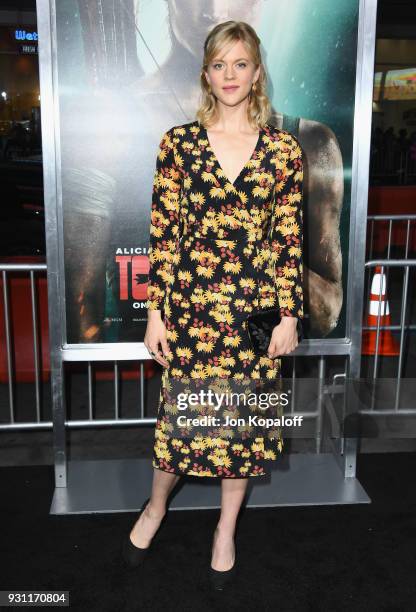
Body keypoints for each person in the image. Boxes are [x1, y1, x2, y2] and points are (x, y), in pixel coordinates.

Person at [122, 20, 304, 590]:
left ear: (256, 72)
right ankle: (156, 507)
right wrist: (155, 313)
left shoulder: (282, 150)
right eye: (219, 64)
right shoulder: (178, 144)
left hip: (255, 316)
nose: (230, 74)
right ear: (206, 74)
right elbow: (164, 235)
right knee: (183, 425)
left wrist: (291, 315)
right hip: (193, 317)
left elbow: (288, 240)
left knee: (241, 433)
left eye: (240, 63)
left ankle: (226, 529)